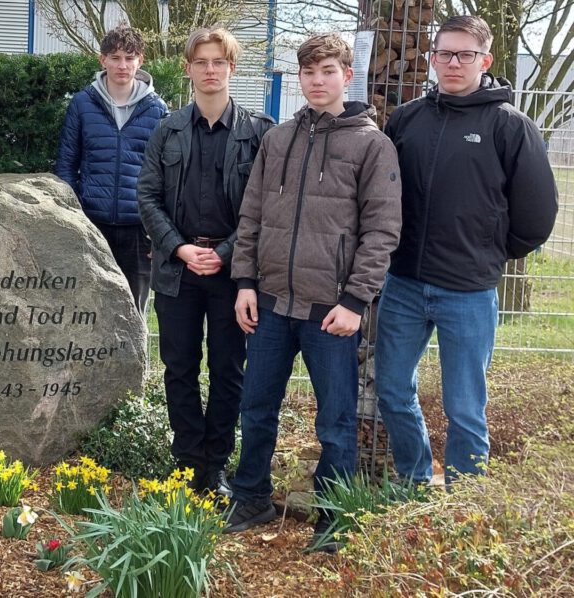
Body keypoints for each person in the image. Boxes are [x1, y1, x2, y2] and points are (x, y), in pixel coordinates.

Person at [223, 33, 402, 553]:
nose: (317, 81)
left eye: (328, 71)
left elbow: (382, 231)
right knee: (256, 407)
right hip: (273, 303)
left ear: (347, 76)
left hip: (331, 311)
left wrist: (355, 301)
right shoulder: (277, 140)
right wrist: (244, 284)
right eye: (308, 73)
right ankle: (251, 495)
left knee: (336, 420)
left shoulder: (372, 145)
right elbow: (251, 216)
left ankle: (333, 515)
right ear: (298, 79)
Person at [376, 15, 558, 485]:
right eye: (444, 53)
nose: (452, 63)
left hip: (468, 291)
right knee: (393, 390)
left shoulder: (509, 126)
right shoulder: (408, 119)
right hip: (405, 285)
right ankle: (414, 481)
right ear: (433, 57)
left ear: (485, 60)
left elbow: (537, 212)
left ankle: (464, 503)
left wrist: (488, 251)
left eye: (464, 55)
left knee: (464, 408)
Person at [137, 27, 274, 495]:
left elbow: (264, 208)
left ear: (232, 68)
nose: (210, 70)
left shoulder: (259, 132)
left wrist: (224, 252)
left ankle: (216, 466)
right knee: (179, 368)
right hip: (177, 269)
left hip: (233, 273)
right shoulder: (167, 129)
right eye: (202, 62)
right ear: (189, 69)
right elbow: (147, 195)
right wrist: (178, 247)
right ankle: (187, 461)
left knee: (227, 369)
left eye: (219, 62)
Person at [55, 25, 168, 314]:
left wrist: (158, 231)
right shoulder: (82, 104)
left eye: (130, 58)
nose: (122, 65)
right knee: (84, 309)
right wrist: (75, 217)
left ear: (140, 61)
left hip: (138, 230)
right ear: (102, 60)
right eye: (115, 57)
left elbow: (167, 176)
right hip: (92, 224)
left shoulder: (157, 109)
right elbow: (67, 166)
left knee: (132, 311)